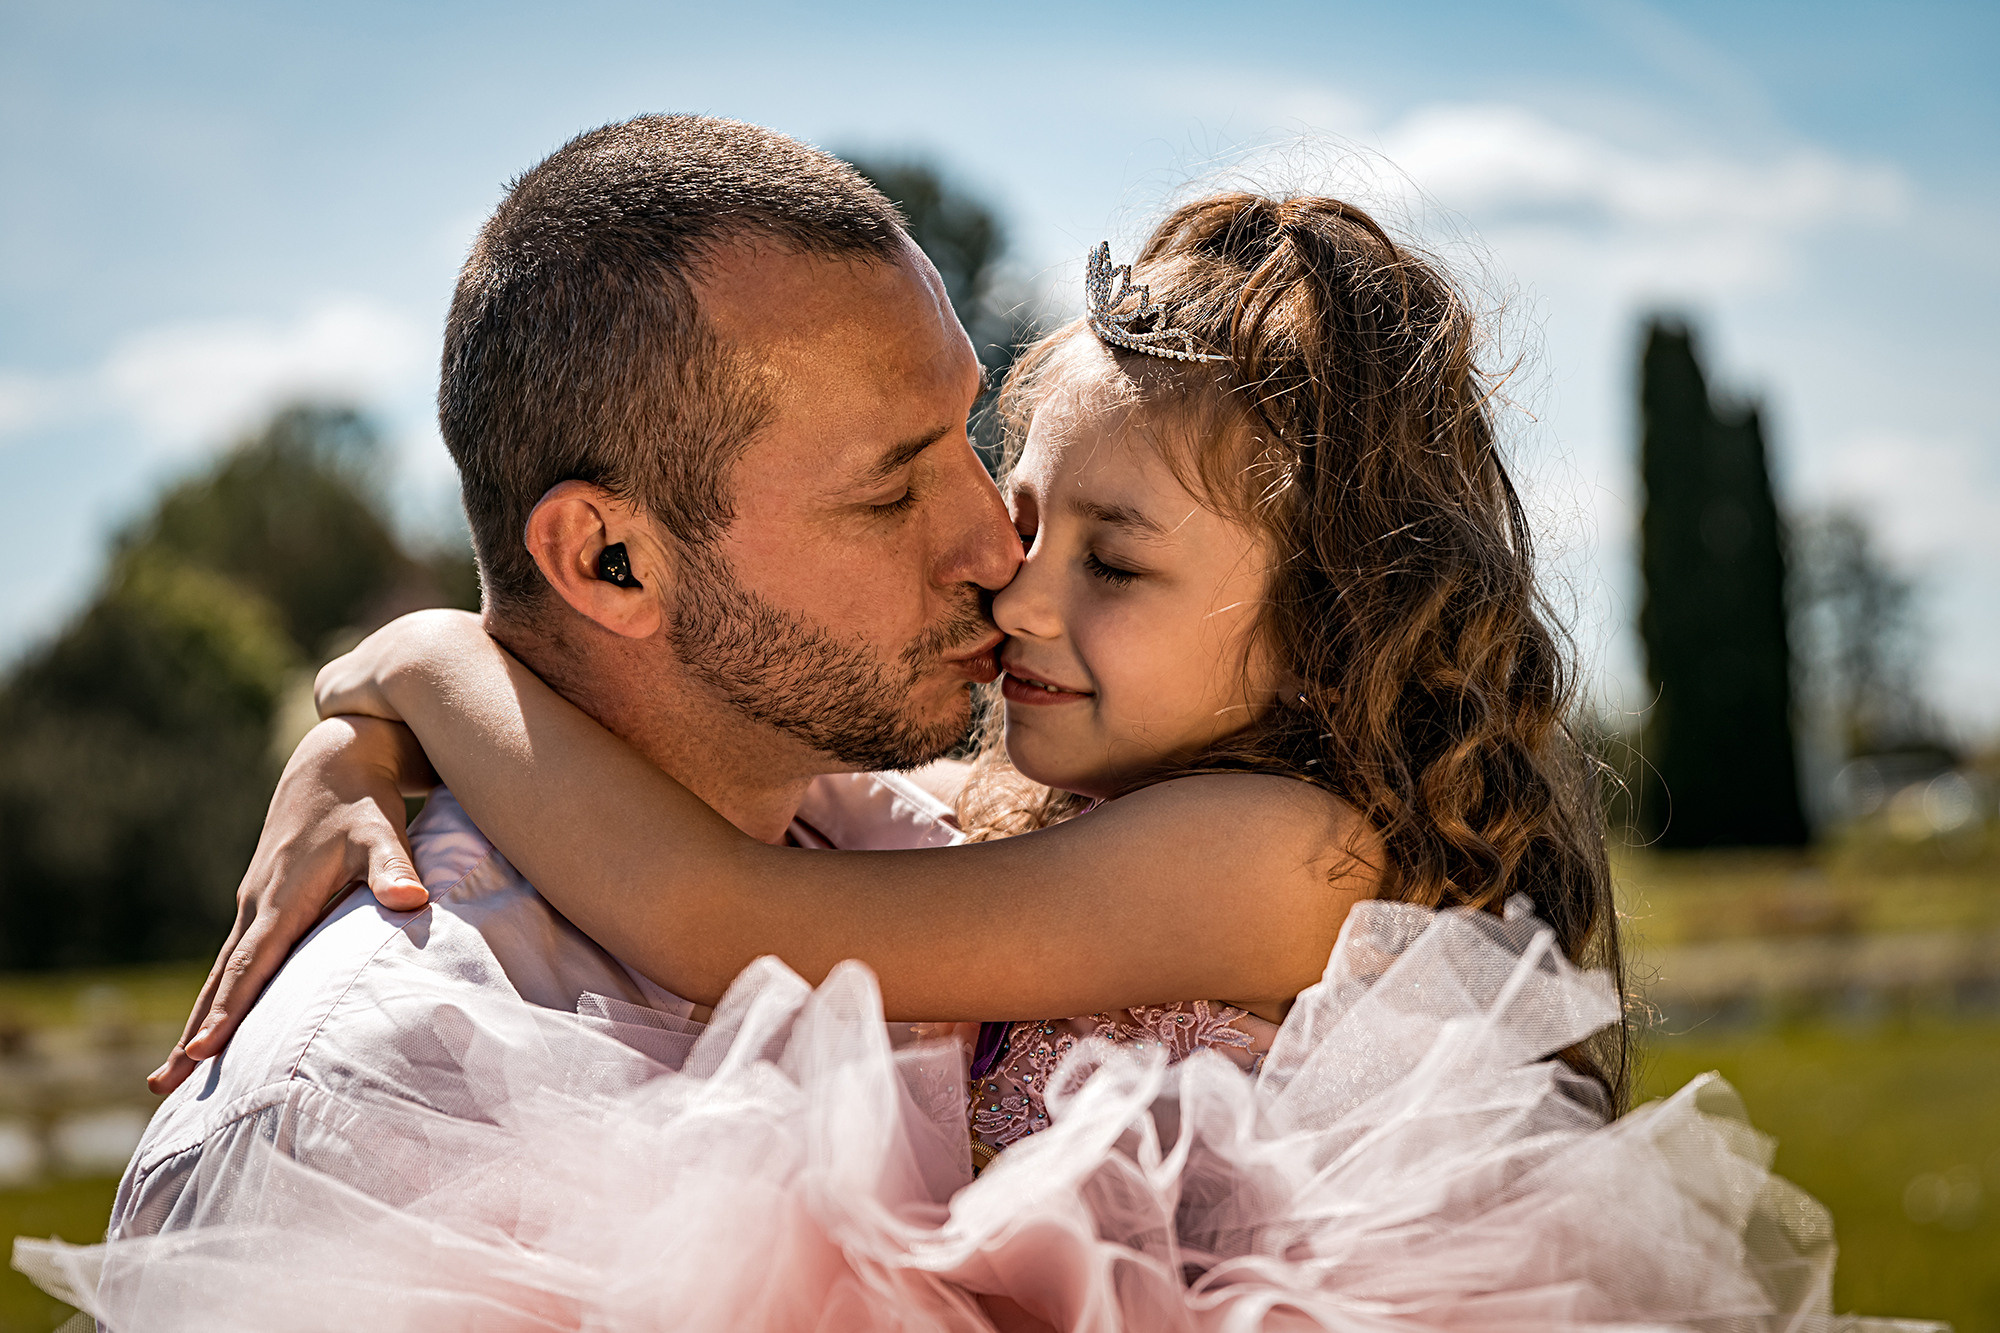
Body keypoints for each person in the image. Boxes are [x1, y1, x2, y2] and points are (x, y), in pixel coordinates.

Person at [21, 189, 1931, 1330]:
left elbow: (720, 913)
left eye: (1115, 558)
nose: (1014, 583)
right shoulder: (1033, 807)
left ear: (1333, 616)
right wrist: (351, 731)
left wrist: (424, 658)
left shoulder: (1283, 853)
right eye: (1024, 510)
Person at [100, 111, 1033, 1241]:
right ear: (608, 561)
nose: (998, 547)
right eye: (889, 492)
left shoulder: (924, 847)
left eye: (967, 433)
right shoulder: (372, 1121)